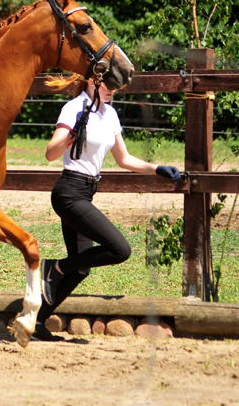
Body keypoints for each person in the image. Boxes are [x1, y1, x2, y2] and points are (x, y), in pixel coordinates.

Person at [32, 75, 181, 342]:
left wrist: (156, 168)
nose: (113, 90)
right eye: (108, 85)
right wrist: (71, 134)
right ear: (92, 82)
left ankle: (36, 321)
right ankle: (55, 268)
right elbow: (50, 153)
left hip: (85, 193)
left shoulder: (110, 114)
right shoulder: (74, 108)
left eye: (116, 87)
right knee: (120, 249)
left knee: (81, 268)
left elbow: (123, 159)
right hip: (68, 192)